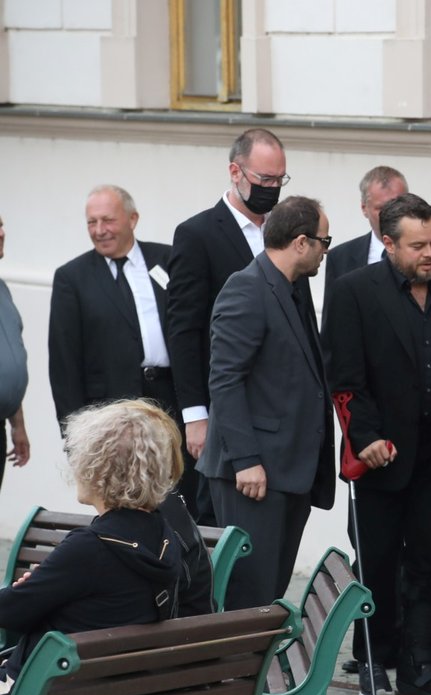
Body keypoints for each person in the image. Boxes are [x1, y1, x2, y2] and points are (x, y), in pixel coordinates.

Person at [321, 165, 431, 668]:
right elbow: (343, 375)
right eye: (417, 246)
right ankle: (376, 656)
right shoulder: (353, 291)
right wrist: (362, 434)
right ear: (389, 244)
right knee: (380, 560)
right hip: (382, 451)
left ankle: (423, 660)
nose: (429, 253)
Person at [0, 400, 184, 695]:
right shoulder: (165, 537)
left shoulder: (90, 548)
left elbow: (9, 614)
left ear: (98, 469)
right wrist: (43, 592)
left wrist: (28, 593)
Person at [198, 196, 335, 610]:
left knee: (268, 594)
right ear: (300, 242)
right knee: (249, 596)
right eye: (323, 242)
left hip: (288, 471)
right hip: (254, 475)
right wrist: (246, 460)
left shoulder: (292, 287)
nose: (326, 251)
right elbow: (225, 381)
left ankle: (258, 674)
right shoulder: (246, 288)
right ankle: (236, 674)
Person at [167, 128, 290, 524]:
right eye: (264, 180)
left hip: (273, 408)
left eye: (279, 180)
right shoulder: (197, 235)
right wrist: (195, 415)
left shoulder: (283, 233)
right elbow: (184, 330)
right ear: (235, 172)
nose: (272, 188)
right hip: (222, 407)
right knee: (216, 521)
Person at [48, 186, 194, 507]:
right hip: (113, 413)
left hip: (173, 399)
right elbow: (64, 364)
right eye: (91, 222)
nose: (99, 231)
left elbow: (194, 332)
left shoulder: (168, 260)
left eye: (108, 220)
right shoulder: (72, 278)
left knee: (184, 498)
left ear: (133, 219)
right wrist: (73, 438)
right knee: (126, 503)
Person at [320, 165, 431, 329]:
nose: (392, 213)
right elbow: (334, 326)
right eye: (382, 208)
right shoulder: (341, 257)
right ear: (364, 208)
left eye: (399, 204)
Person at [0, 214, 30, 490]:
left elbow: (9, 360)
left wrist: (17, 424)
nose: (1, 233)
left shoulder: (3, 290)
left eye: (0, 226)